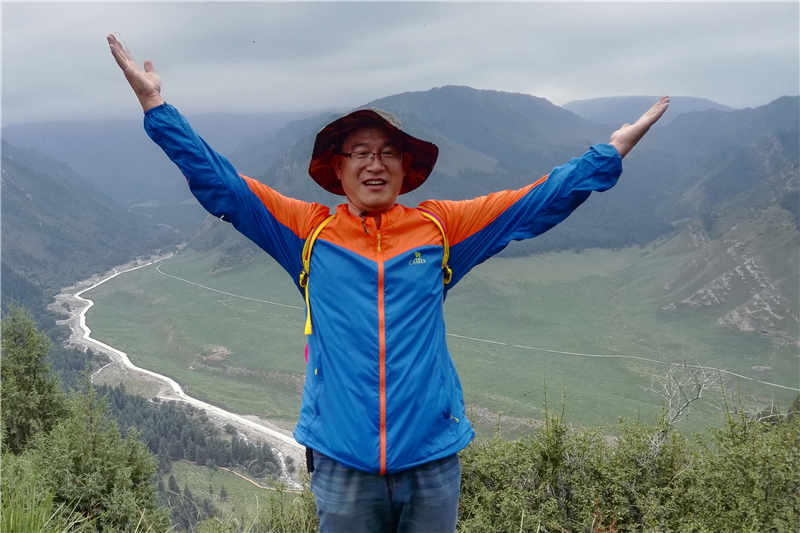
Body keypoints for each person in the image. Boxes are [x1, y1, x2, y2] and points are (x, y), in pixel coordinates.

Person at [108, 34, 669, 533]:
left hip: (431, 460)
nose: (374, 164)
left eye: (387, 154)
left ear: (405, 169)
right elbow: (224, 187)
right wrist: (156, 107)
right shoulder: (307, 232)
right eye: (360, 153)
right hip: (343, 463)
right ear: (339, 168)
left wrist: (610, 152)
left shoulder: (440, 228)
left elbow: (534, 202)